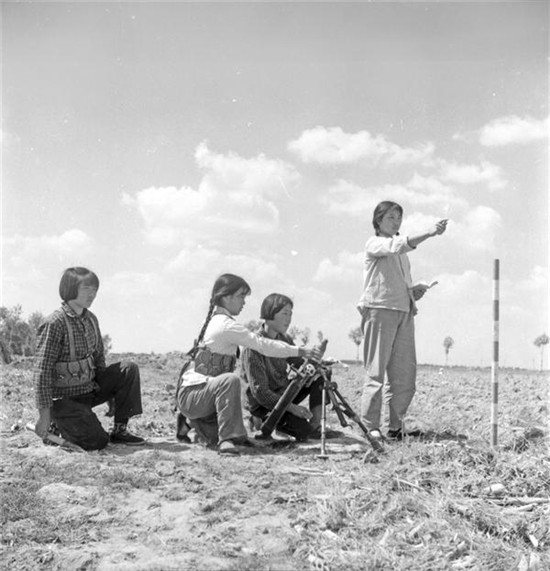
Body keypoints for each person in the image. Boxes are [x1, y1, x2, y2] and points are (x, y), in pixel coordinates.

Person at [175, 274, 322, 455]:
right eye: (241, 296)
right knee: (230, 380)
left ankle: (189, 422)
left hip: (201, 395)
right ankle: (226, 440)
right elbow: (262, 345)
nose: (244, 302)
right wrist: (301, 351)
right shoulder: (225, 325)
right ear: (227, 297)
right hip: (195, 395)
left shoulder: (216, 320)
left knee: (215, 437)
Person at [357, 201, 447, 443]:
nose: (396, 222)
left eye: (398, 217)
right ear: (378, 221)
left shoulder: (403, 256)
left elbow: (399, 278)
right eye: (390, 217)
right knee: (376, 372)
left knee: (404, 375)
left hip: (404, 312)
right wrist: (429, 232)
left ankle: (395, 427)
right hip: (379, 309)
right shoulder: (374, 243)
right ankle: (370, 427)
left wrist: (414, 291)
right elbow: (397, 245)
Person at [34, 267, 145, 449]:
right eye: (86, 288)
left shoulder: (91, 319)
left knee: (128, 368)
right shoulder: (54, 323)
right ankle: (57, 425)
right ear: (70, 289)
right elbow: (42, 372)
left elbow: (99, 360)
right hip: (64, 400)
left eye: (94, 289)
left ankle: (120, 431)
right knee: (97, 441)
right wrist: (43, 417)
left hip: (88, 391)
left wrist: (112, 394)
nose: (92, 294)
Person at [242, 293, 339, 441]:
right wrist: (293, 408)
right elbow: (261, 393)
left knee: (319, 374)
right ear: (269, 313)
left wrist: (316, 361)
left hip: (284, 395)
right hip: (263, 404)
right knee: (303, 431)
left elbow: (300, 364)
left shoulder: (285, 339)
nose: (289, 319)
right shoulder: (253, 346)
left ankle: (316, 425)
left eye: (290, 314)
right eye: (285, 313)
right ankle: (259, 419)